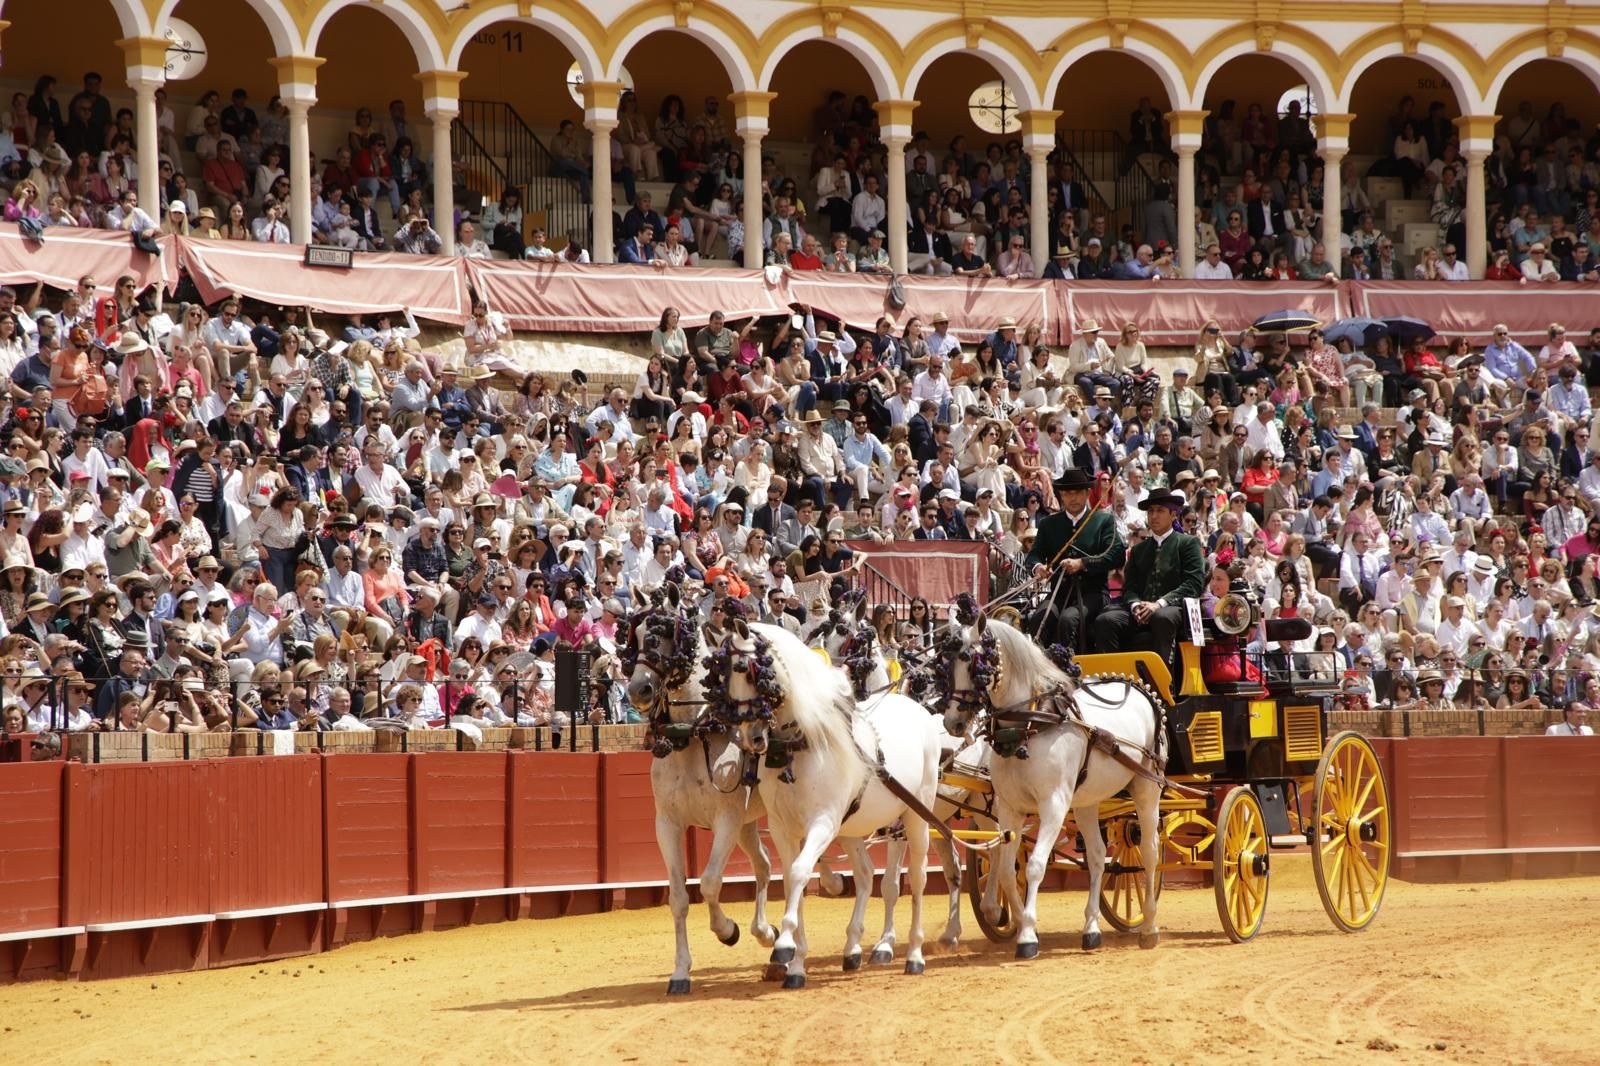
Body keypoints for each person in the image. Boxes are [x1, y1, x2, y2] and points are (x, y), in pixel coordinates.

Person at [1107, 491, 1206, 692]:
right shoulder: (1139, 550)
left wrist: (1158, 603)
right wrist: (1135, 605)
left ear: (1173, 515)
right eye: (1151, 511)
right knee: (1106, 620)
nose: (1154, 515)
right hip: (1142, 608)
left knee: (1162, 617)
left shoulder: (1188, 543)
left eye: (1160, 511)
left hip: (1175, 608)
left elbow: (1194, 584)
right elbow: (1130, 588)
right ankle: (1111, 682)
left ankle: (1162, 685)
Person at [1025, 468, 1126, 654]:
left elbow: (1117, 555)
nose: (1073, 498)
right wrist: (1038, 567)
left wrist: (1083, 564)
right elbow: (1034, 555)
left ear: (1087, 493)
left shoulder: (1103, 521)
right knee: (1040, 617)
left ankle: (1069, 671)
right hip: (1059, 592)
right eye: (1068, 493)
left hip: (1093, 592)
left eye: (1078, 492)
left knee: (1068, 619)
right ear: (1061, 495)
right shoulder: (1049, 524)